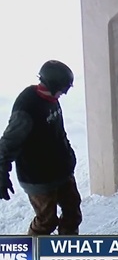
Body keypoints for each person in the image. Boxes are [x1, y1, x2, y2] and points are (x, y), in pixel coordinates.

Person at [0, 60, 82, 235]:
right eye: (63, 89)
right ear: (52, 85)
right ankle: (31, 251)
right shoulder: (27, 108)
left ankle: (67, 249)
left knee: (73, 211)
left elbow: (59, 132)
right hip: (38, 177)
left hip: (61, 171)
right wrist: (1, 171)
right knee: (47, 221)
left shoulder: (52, 98)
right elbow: (7, 144)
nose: (64, 94)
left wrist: (69, 156)